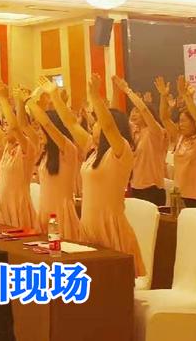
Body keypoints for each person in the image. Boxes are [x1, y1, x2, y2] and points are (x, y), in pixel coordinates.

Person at [80, 73, 145, 277]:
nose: (94, 125)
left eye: (97, 122)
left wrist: (95, 96)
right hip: (89, 226)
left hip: (110, 229)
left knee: (113, 286)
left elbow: (108, 125)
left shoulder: (120, 150)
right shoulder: (94, 153)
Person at [28, 78, 88, 239]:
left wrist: (30, 102)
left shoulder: (67, 150)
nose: (39, 132)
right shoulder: (46, 153)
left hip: (62, 215)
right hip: (44, 212)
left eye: (41, 129)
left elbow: (48, 125)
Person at [0, 77, 38, 230]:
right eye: (3, 124)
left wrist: (4, 99)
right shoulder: (6, 146)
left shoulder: (26, 146)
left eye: (7, 124)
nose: (5, 128)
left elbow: (16, 127)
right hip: (3, 202)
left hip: (18, 203)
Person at [116, 75, 166, 206]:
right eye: (132, 111)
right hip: (135, 186)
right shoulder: (135, 132)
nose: (134, 114)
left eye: (137, 111)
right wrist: (116, 91)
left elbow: (144, 109)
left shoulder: (155, 131)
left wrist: (127, 90)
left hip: (153, 189)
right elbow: (116, 119)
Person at [163, 77, 196, 209]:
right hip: (178, 195)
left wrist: (186, 97)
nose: (181, 124)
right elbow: (165, 118)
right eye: (180, 121)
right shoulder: (180, 138)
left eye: (184, 121)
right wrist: (163, 96)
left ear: (194, 123)